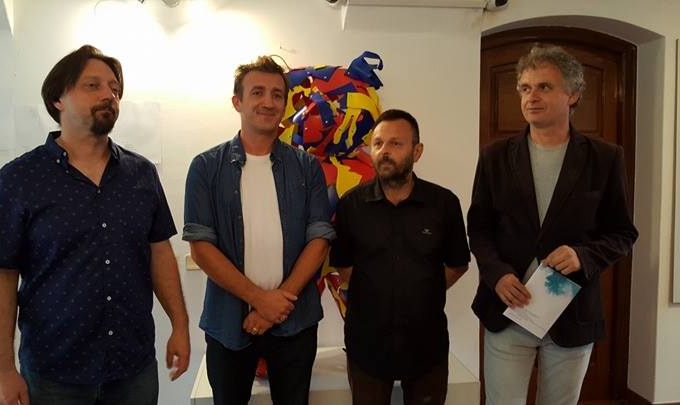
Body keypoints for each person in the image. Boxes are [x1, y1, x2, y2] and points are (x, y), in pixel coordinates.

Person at [0, 45, 190, 405]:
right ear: (58, 99)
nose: (109, 95)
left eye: (114, 88)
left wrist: (180, 326)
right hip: (54, 373)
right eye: (92, 86)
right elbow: (0, 276)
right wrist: (2, 370)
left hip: (133, 367)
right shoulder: (19, 179)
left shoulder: (141, 174)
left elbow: (160, 253)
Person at [467, 44, 638, 405]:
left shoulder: (605, 158)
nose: (531, 97)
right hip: (508, 310)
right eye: (525, 88)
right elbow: (479, 228)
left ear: (573, 94)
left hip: (571, 313)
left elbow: (623, 233)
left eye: (544, 87)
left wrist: (582, 256)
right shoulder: (495, 156)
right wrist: (497, 274)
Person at [183, 55, 335, 405]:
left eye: (277, 95)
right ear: (237, 101)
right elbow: (201, 248)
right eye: (257, 92)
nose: (268, 102)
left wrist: (276, 304)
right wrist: (260, 299)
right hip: (227, 323)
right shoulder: (205, 168)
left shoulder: (307, 167)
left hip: (295, 322)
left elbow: (320, 238)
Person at [330, 109, 470, 405]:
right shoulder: (351, 205)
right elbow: (343, 264)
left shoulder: (444, 204)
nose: (385, 151)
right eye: (378, 143)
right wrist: (378, 292)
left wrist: (423, 290)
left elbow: (458, 264)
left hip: (427, 344)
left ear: (417, 151)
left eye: (396, 144)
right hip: (367, 344)